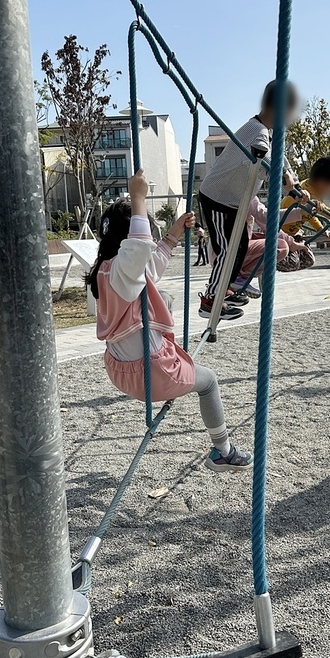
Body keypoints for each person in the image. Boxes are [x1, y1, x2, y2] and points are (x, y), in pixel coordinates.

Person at [86, 169, 253, 472]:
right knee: (209, 382)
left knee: (157, 294)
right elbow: (139, 249)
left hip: (119, 370)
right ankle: (223, 451)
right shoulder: (127, 268)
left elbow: (149, 263)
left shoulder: (105, 270)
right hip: (151, 374)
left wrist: (173, 234)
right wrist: (138, 197)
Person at [197, 80, 302, 321]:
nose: (289, 119)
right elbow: (262, 155)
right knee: (229, 250)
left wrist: (293, 183)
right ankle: (211, 299)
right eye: (289, 113)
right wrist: (284, 178)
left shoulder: (267, 132)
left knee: (239, 246)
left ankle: (225, 290)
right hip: (218, 197)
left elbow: (280, 158)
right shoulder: (257, 131)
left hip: (232, 201)